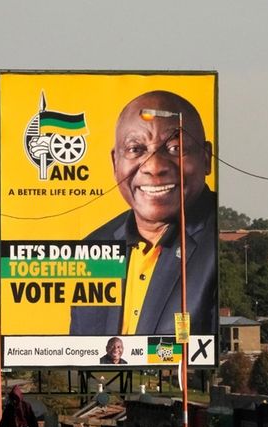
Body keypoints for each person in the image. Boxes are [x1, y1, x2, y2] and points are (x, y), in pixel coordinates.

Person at [69, 90, 217, 336]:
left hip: (182, 376)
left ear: (206, 157)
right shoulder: (94, 250)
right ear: (115, 163)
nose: (154, 167)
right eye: (136, 149)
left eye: (175, 147)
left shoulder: (217, 244)